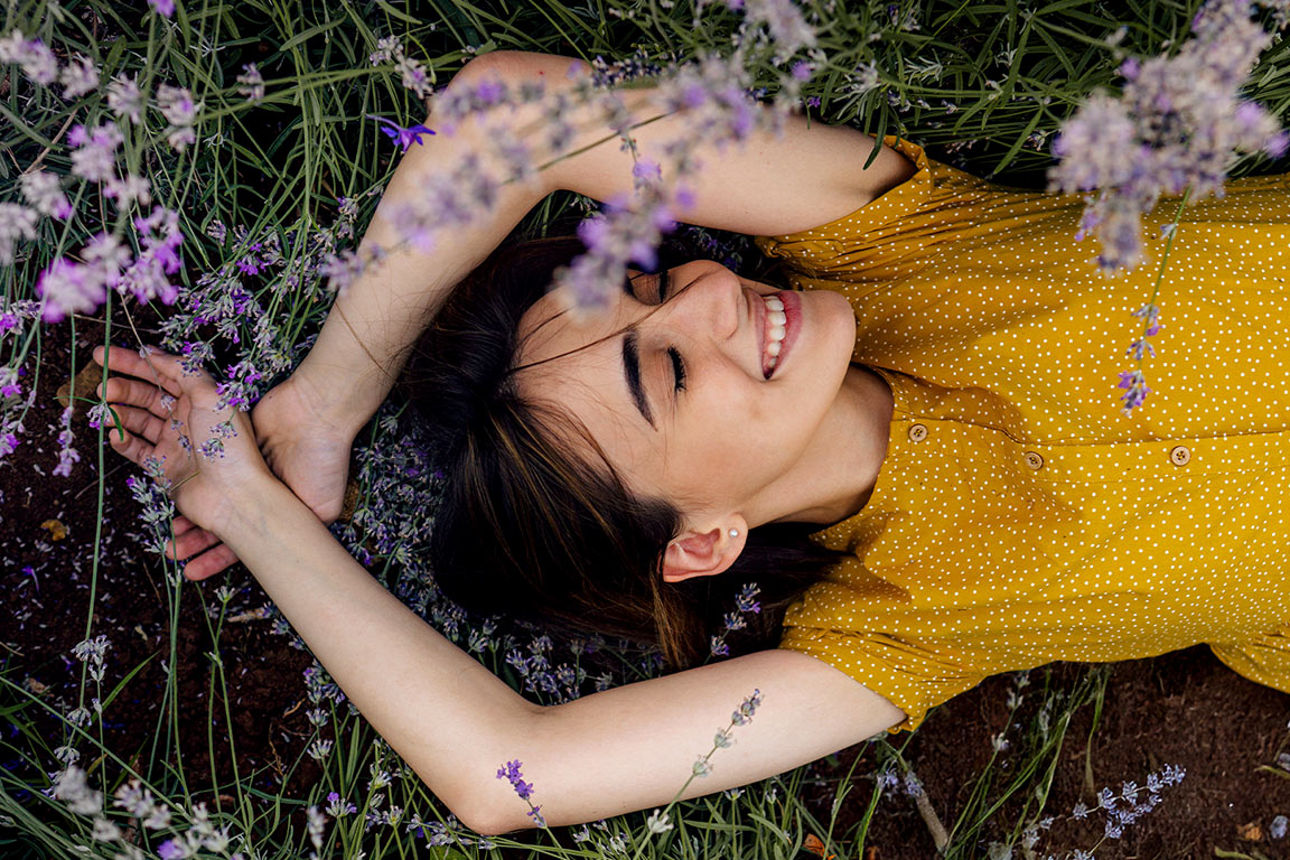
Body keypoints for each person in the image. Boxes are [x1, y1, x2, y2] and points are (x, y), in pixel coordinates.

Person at [93, 50, 1290, 834]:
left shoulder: (902, 242)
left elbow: (513, 118)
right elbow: (508, 771)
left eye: (653, 283)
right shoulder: (903, 623)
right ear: (703, 541)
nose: (713, 293)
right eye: (667, 371)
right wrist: (253, 508)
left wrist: (322, 405)